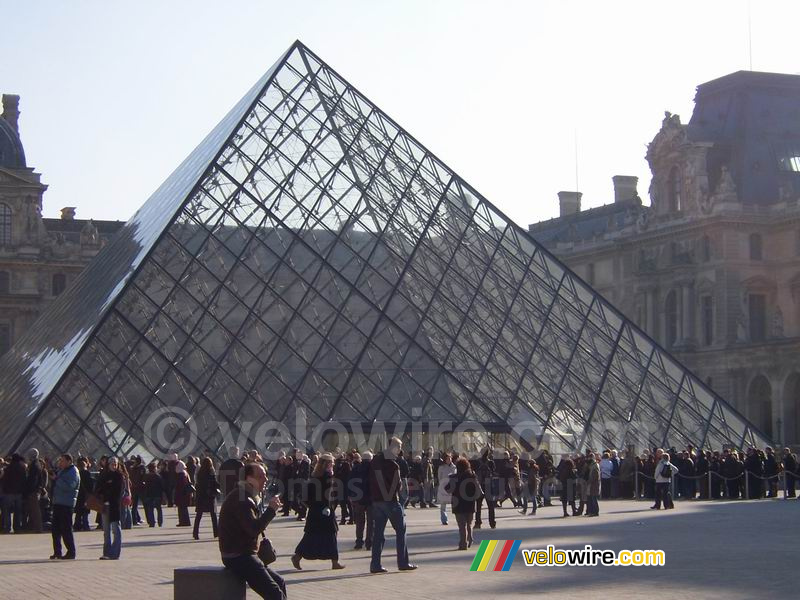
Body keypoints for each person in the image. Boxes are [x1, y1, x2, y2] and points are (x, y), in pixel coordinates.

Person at [219, 462, 285, 600]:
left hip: (243, 554)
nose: (266, 479)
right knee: (275, 594)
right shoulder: (241, 499)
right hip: (238, 556)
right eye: (261, 476)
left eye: (266, 475)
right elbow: (253, 529)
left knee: (280, 582)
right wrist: (271, 510)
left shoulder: (246, 495)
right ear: (249, 479)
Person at [368, 437, 417, 574]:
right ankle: (403, 562)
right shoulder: (393, 465)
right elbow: (398, 485)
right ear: (393, 447)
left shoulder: (375, 460)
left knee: (378, 534)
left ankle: (375, 564)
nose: (401, 450)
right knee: (401, 531)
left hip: (377, 501)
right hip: (390, 502)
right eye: (399, 446)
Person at [291, 453, 345, 570]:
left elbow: (307, 496)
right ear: (327, 464)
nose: (333, 465)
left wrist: (313, 506)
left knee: (312, 535)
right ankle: (334, 561)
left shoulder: (316, 476)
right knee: (330, 534)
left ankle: (298, 556)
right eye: (331, 462)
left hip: (317, 511)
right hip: (324, 511)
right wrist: (324, 506)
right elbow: (326, 496)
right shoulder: (325, 477)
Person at [50, 454, 80, 560]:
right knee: (55, 529)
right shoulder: (63, 471)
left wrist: (57, 479)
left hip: (66, 504)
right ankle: (57, 551)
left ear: (69, 461)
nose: (60, 463)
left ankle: (71, 552)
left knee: (66, 529)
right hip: (58, 503)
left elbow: (69, 486)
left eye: (62, 461)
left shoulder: (73, 472)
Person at [448, 457, 481, 550]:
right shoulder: (472, 476)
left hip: (458, 504)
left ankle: (463, 543)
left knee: (461, 525)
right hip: (470, 503)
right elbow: (477, 490)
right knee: (469, 524)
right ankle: (470, 537)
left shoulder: (454, 477)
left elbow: (447, 489)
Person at [94, 457, 123, 559]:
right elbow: (99, 489)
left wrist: (106, 487)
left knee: (116, 529)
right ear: (108, 464)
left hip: (114, 506)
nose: (114, 466)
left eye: (115, 464)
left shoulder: (119, 476)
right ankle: (106, 553)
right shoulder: (104, 475)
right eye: (112, 464)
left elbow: (116, 491)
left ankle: (114, 553)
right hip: (105, 505)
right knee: (106, 531)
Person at [349, 451, 372, 550]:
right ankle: (369, 542)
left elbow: (350, 483)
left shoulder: (356, 468)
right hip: (371, 499)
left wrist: (351, 495)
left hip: (358, 499)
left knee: (359, 522)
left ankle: (359, 541)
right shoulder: (373, 469)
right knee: (371, 522)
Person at [194, 457, 220, 540]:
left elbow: (197, 485)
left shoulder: (199, 473)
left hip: (201, 497)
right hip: (210, 497)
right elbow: (215, 483)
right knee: (213, 516)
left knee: (198, 516)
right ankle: (216, 533)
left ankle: (195, 533)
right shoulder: (211, 473)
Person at [1, 453, 26, 533]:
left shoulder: (8, 468)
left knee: (7, 511)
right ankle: (17, 527)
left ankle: (7, 527)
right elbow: (24, 481)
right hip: (19, 492)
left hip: (8, 492)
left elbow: (5, 480)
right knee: (18, 511)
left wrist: (5, 490)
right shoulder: (22, 468)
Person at [24, 448, 45, 533]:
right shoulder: (37, 464)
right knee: (34, 510)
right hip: (36, 490)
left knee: (35, 510)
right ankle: (36, 527)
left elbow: (32, 480)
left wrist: (29, 490)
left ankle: (38, 528)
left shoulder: (34, 466)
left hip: (33, 491)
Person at [73, 457, 93, 531]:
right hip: (86, 495)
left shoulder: (77, 473)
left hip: (78, 495)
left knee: (78, 512)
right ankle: (85, 525)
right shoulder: (87, 473)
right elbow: (90, 485)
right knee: (85, 512)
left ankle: (77, 525)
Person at [143, 462, 164, 527]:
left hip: (149, 494)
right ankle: (160, 522)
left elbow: (145, 485)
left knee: (150, 509)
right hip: (157, 494)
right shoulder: (158, 476)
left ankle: (152, 523)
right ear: (155, 468)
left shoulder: (146, 476)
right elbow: (162, 486)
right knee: (159, 509)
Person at [437, 453, 456, 525]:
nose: (449, 460)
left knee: (454, 503)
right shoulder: (441, 467)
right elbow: (439, 477)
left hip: (452, 487)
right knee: (443, 504)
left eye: (450, 458)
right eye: (448, 458)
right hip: (443, 487)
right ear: (445, 459)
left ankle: (458, 517)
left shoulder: (454, 467)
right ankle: (444, 519)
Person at [175, 461, 193, 527]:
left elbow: (180, 486)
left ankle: (183, 521)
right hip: (185, 494)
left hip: (181, 494)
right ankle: (185, 521)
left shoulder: (181, 475)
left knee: (181, 508)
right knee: (183, 508)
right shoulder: (185, 473)